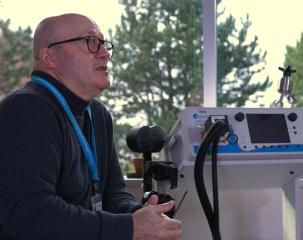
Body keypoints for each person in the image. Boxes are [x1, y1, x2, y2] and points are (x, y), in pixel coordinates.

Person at [0, 13, 182, 240]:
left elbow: (113, 196)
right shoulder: (26, 109)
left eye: (104, 44)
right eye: (91, 42)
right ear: (50, 57)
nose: (105, 54)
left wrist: (141, 215)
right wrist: (129, 227)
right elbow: (30, 214)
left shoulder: (98, 114)